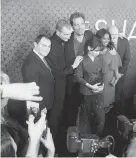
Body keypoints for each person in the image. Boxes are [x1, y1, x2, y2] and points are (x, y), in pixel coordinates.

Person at [45, 19, 82, 149]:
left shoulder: (64, 39)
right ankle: (51, 145)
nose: (69, 36)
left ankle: (60, 140)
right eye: (66, 34)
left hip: (66, 84)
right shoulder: (52, 46)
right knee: (55, 115)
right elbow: (58, 73)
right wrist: (74, 66)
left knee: (63, 113)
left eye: (69, 34)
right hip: (56, 86)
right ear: (57, 32)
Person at [62, 12, 94, 127]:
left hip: (88, 78)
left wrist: (116, 38)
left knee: (88, 107)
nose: (80, 27)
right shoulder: (66, 39)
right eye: (76, 25)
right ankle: (72, 133)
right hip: (73, 79)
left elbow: (103, 39)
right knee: (72, 108)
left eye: (82, 24)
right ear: (72, 26)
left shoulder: (90, 34)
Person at [75, 35, 105, 136]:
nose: (98, 53)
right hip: (86, 93)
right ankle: (86, 141)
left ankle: (97, 138)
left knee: (100, 118)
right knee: (86, 119)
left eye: (99, 51)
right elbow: (78, 77)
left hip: (99, 92)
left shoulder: (100, 58)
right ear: (88, 48)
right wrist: (91, 87)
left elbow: (104, 73)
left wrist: (103, 86)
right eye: (96, 50)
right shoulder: (82, 59)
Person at [22, 35, 55, 112]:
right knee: (36, 124)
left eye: (49, 46)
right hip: (38, 106)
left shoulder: (40, 57)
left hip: (44, 102)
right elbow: (31, 89)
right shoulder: (31, 62)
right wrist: (42, 106)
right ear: (35, 44)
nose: (47, 49)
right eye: (43, 45)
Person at [96, 28, 122, 112]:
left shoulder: (111, 50)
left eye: (108, 38)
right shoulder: (95, 48)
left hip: (108, 79)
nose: (106, 40)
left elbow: (116, 67)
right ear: (99, 38)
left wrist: (116, 78)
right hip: (97, 77)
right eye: (104, 38)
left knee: (105, 102)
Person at [108, 25, 131, 114]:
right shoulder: (104, 41)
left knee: (118, 95)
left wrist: (118, 75)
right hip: (108, 74)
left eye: (116, 34)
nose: (114, 37)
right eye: (111, 34)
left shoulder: (124, 41)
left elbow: (127, 59)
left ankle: (118, 115)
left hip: (120, 74)